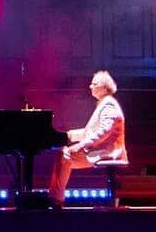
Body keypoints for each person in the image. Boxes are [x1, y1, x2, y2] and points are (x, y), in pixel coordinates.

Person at [50, 70, 125, 207]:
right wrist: (69, 135)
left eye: (94, 84)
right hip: (101, 149)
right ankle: (55, 196)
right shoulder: (104, 103)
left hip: (107, 151)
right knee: (63, 154)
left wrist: (80, 145)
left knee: (65, 155)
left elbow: (104, 131)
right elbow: (90, 131)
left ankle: (56, 199)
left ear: (104, 87)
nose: (90, 86)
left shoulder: (108, 104)